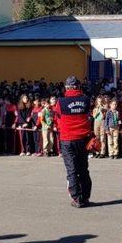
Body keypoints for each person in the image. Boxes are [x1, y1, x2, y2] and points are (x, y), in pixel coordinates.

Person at [54, 75, 92, 207]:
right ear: (78, 86)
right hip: (83, 139)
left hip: (67, 139)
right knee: (83, 169)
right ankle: (85, 197)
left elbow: (57, 116)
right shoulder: (86, 100)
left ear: (67, 87)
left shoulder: (61, 101)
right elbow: (88, 115)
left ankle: (76, 198)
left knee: (72, 170)